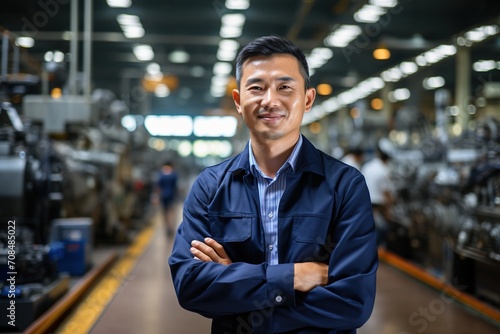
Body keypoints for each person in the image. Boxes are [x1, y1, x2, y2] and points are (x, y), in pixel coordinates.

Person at [168, 35, 378, 333]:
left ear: (307, 99)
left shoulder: (344, 186)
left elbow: (352, 302)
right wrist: (292, 277)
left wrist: (237, 287)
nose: (270, 100)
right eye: (256, 88)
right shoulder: (211, 187)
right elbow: (190, 285)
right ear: (238, 101)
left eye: (285, 87)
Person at [361, 143, 394, 248]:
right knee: (382, 229)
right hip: (378, 206)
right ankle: (378, 250)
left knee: (368, 229)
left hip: (364, 203)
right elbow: (386, 193)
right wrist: (389, 209)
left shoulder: (367, 166)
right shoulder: (384, 170)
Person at [156, 161, 178, 237]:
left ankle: (167, 227)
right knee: (171, 212)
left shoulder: (161, 174)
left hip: (163, 196)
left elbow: (158, 187)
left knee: (165, 212)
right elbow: (175, 187)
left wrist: (157, 197)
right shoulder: (173, 174)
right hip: (171, 196)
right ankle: (171, 227)